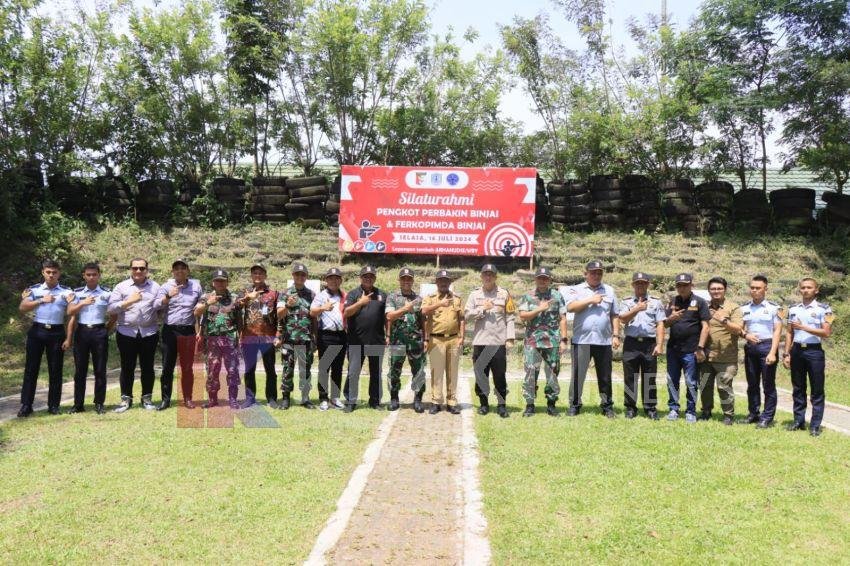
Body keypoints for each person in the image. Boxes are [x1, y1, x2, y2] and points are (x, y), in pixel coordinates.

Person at [17, 259, 74, 417]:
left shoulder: (66, 292)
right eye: (48, 272)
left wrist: (69, 338)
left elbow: (72, 314)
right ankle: (26, 405)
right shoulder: (34, 290)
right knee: (31, 369)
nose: (51, 275)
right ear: (43, 272)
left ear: (59, 273)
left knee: (55, 370)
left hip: (56, 332)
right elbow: (22, 308)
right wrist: (42, 300)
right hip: (37, 331)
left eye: (54, 272)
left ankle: (54, 405)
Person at [564, 260, 620, 418]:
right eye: (593, 272)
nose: (596, 275)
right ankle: (574, 404)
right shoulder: (577, 289)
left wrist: (615, 335)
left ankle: (607, 406)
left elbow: (614, 314)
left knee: (605, 376)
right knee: (578, 375)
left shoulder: (609, 290)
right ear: (585, 274)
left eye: (599, 273)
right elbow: (570, 307)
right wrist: (590, 300)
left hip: (603, 341)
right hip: (582, 340)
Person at [108, 258, 163, 413]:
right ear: (130, 269)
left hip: (149, 332)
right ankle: (126, 400)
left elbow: (160, 308)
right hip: (126, 333)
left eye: (142, 268)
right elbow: (111, 309)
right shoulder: (121, 287)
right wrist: (128, 302)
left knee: (147, 367)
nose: (138, 271)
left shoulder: (155, 287)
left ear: (147, 269)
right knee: (127, 367)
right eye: (135, 268)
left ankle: (147, 399)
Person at [784, 277, 834, 437]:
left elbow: (826, 332)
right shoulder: (793, 309)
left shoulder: (825, 309)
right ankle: (798, 421)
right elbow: (789, 332)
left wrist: (804, 327)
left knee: (817, 389)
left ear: (816, 290)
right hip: (797, 350)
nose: (805, 290)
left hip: (814, 352)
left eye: (809, 287)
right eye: (803, 287)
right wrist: (786, 353)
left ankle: (815, 425)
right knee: (798, 387)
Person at [465, 263, 515, 418]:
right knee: (481, 374)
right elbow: (466, 316)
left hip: (498, 342)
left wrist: (510, 338)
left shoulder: (504, 294)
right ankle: (484, 404)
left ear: (495, 277)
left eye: (491, 274)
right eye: (485, 274)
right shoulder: (474, 295)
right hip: (480, 341)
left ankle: (501, 405)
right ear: (481, 276)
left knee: (500, 375)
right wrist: (482, 309)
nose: (488, 277)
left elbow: (511, 316)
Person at [66, 262, 116, 414]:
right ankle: (78, 404)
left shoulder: (107, 293)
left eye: (94, 274)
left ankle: (99, 403)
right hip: (82, 332)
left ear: (99, 275)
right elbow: (70, 312)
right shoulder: (78, 293)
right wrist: (83, 303)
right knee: (80, 370)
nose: (92, 277)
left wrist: (105, 330)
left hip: (99, 331)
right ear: (84, 276)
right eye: (88, 275)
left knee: (100, 369)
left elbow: (114, 315)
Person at [517, 267, 567, 417]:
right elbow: (523, 316)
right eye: (540, 278)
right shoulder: (528, 296)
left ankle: (551, 404)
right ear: (535, 279)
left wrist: (564, 340)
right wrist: (539, 309)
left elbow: (563, 319)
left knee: (552, 373)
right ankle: (530, 404)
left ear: (550, 280)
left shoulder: (557, 296)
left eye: (545, 278)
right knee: (531, 373)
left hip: (552, 342)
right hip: (533, 342)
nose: (543, 281)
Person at [617, 271, 666, 420]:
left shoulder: (656, 302)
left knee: (649, 377)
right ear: (633, 285)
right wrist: (636, 309)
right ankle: (631, 408)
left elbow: (660, 324)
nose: (640, 285)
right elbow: (622, 319)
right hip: (631, 343)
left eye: (643, 283)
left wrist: (659, 344)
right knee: (630, 377)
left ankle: (650, 408)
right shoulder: (626, 301)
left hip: (649, 344)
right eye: (637, 283)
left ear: (648, 285)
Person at [156, 259, 203, 410]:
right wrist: (169, 296)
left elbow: (200, 309)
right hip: (170, 330)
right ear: (172, 272)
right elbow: (156, 305)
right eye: (176, 268)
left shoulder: (196, 286)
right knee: (167, 366)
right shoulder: (165, 286)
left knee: (187, 368)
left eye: (183, 268)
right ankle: (166, 399)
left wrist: (200, 330)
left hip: (188, 330)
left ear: (188, 271)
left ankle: (188, 398)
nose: (180, 271)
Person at [664, 273, 710, 423]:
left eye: (685, 285)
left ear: (691, 285)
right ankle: (673, 409)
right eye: (679, 285)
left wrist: (700, 348)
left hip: (691, 350)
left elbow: (705, 327)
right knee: (672, 380)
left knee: (691, 382)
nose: (682, 288)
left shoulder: (700, 302)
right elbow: (664, 324)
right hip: (673, 350)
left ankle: (691, 411)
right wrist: (672, 318)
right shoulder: (672, 301)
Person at [699, 276, 744, 425]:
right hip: (706, 355)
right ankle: (706, 411)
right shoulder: (703, 306)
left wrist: (723, 320)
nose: (716, 291)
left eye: (719, 289)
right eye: (713, 289)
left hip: (726, 357)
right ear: (708, 290)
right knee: (705, 385)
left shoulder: (733, 307)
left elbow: (738, 329)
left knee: (724, 386)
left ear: (725, 290)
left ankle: (728, 415)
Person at [194, 269, 242, 409]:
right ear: (213, 282)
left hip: (230, 339)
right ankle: (212, 399)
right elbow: (196, 312)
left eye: (223, 280)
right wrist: (208, 303)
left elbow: (240, 321)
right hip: (213, 341)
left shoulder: (234, 298)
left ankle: (233, 399)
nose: (220, 283)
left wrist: (240, 337)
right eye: (217, 280)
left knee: (232, 370)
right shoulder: (206, 297)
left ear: (227, 282)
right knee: (212, 370)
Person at [740, 275, 783, 428]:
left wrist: (772, 352)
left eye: (758, 288)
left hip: (767, 347)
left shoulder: (774, 308)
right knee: (752, 383)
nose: (755, 290)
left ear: (766, 289)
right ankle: (753, 413)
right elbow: (740, 328)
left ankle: (767, 417)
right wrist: (745, 335)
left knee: (768, 384)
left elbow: (777, 331)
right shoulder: (744, 308)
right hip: (751, 348)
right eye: (752, 287)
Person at [343, 265, 386, 412]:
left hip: (376, 341)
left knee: (376, 373)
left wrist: (388, 336)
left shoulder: (382, 294)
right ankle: (350, 401)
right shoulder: (353, 294)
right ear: (360, 278)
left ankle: (375, 401)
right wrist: (360, 303)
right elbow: (346, 312)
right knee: (353, 372)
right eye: (365, 276)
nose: (368, 278)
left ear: (374, 278)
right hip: (356, 340)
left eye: (371, 276)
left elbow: (387, 318)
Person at [421, 269, 465, 415]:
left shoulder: (457, 298)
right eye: (441, 280)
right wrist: (440, 304)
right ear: (436, 282)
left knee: (453, 371)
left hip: (453, 338)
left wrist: (462, 337)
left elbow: (461, 319)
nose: (444, 283)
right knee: (437, 371)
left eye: (446, 281)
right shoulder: (430, 298)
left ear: (450, 283)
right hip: (436, 339)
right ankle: (436, 401)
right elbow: (424, 311)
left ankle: (452, 402)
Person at [384, 267, 426, 411]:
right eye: (404, 279)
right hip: (397, 341)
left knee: (419, 371)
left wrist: (425, 339)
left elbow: (423, 321)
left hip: (416, 342)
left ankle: (418, 399)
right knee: (395, 370)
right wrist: (405, 309)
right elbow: (389, 316)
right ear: (400, 280)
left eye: (409, 279)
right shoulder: (392, 297)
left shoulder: (419, 299)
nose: (406, 281)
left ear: (412, 280)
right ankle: (394, 398)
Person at [238, 263, 279, 408]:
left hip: (267, 337)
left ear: (265, 276)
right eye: (255, 273)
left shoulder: (273, 293)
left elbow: (279, 316)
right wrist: (249, 297)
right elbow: (236, 306)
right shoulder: (244, 291)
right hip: (249, 337)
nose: (258, 276)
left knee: (270, 369)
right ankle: (250, 398)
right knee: (249, 370)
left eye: (260, 273)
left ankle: (272, 398)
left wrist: (278, 335)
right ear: (251, 276)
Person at [276, 263, 316, 409]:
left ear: (306, 277)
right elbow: (279, 315)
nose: (300, 277)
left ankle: (305, 398)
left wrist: (315, 338)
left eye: (303, 274)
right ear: (293, 275)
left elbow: (314, 318)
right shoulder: (284, 294)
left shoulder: (312, 295)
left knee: (305, 370)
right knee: (287, 369)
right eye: (297, 274)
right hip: (289, 338)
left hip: (305, 339)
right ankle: (286, 398)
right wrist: (287, 305)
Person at [310, 267, 347, 411]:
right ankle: (323, 398)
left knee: (337, 368)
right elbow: (312, 312)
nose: (334, 280)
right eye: (331, 278)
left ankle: (335, 398)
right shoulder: (321, 296)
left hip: (341, 335)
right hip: (326, 335)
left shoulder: (344, 295)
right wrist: (323, 308)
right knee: (324, 368)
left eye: (336, 278)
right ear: (326, 280)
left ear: (340, 280)